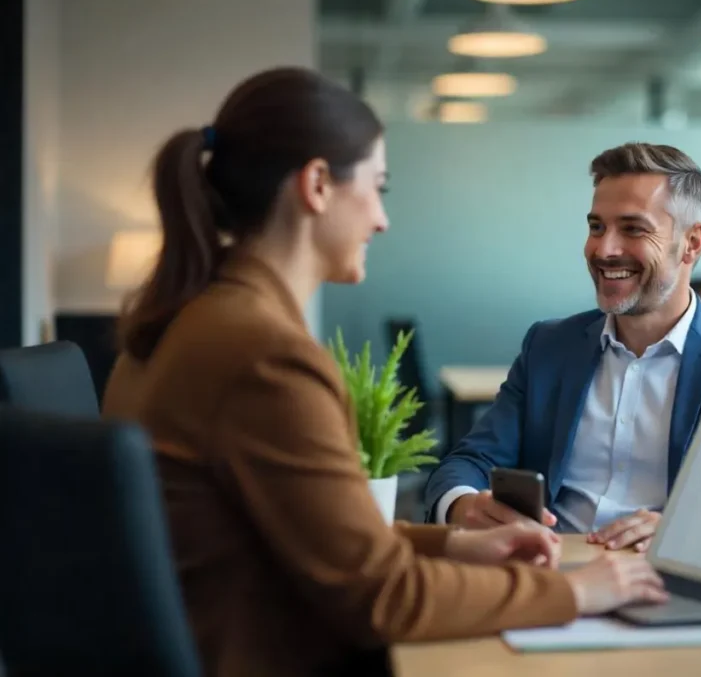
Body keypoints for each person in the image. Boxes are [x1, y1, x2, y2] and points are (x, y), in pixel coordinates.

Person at [101, 68, 667, 677]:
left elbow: (324, 539)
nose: (381, 219)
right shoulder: (265, 355)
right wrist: (580, 592)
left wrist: (454, 544)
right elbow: (382, 596)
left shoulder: (184, 323)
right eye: (378, 187)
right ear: (317, 185)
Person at [424, 142, 701, 552]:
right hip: (552, 573)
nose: (604, 250)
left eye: (633, 229)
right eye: (596, 227)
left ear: (692, 243)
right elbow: (470, 460)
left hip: (671, 575)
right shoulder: (549, 346)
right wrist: (463, 504)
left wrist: (689, 528)